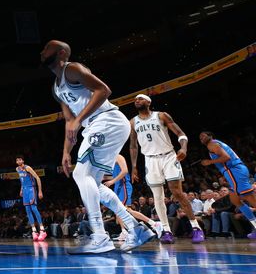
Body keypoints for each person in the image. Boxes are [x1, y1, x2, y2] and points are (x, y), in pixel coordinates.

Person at [41, 40, 153, 254]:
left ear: (61, 52)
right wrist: (66, 151)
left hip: (106, 120)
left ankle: (100, 237)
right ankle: (136, 228)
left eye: (47, 48)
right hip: (98, 126)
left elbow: (104, 90)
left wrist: (80, 119)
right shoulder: (56, 88)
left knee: (81, 176)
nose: (42, 51)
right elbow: (69, 121)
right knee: (94, 184)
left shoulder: (72, 69)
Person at [129, 94, 204, 243]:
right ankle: (166, 230)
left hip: (169, 156)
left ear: (148, 102)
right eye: (136, 99)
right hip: (150, 160)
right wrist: (134, 166)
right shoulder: (132, 122)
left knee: (177, 192)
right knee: (157, 196)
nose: (137, 101)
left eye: (141, 99)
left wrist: (183, 148)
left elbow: (180, 133)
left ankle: (196, 228)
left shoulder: (161, 116)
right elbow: (133, 145)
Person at [199, 131, 256, 239]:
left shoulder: (212, 144)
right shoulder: (217, 143)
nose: (201, 137)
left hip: (235, 171)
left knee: (251, 199)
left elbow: (226, 158)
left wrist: (209, 162)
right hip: (234, 172)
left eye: (203, 135)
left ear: (210, 136)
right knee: (235, 200)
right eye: (200, 137)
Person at [102, 154, 163, 242]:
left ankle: (154, 224)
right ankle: (125, 232)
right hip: (118, 186)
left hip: (123, 187)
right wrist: (105, 178)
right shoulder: (110, 160)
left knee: (123, 210)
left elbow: (125, 171)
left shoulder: (118, 156)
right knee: (120, 211)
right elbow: (115, 175)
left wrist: (112, 181)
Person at [16, 156, 47, 241]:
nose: (18, 161)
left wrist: (40, 191)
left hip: (31, 189)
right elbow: (22, 180)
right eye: (17, 160)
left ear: (23, 160)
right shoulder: (17, 169)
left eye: (20, 159)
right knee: (28, 210)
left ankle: (42, 230)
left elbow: (38, 178)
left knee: (34, 208)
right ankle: (34, 231)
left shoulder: (28, 168)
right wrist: (21, 189)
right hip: (25, 190)